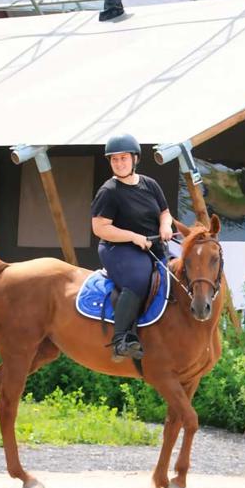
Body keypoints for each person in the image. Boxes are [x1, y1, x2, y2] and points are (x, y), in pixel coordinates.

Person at [91, 133, 173, 361]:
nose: (119, 163)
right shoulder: (109, 191)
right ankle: (121, 340)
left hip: (152, 245)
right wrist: (133, 236)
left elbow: (164, 212)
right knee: (139, 278)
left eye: (123, 158)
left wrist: (165, 226)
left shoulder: (150, 184)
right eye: (114, 159)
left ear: (135, 159)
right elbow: (100, 227)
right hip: (117, 248)